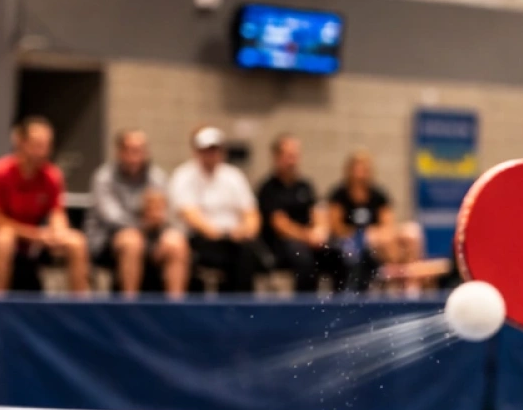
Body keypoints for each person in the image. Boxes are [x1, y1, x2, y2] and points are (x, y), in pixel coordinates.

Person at [0, 115, 90, 294]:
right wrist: (35, 235)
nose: (43, 152)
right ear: (21, 143)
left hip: (32, 240)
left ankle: (81, 307)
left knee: (76, 241)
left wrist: (58, 231)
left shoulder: (52, 176)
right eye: (37, 145)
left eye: (47, 145)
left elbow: (57, 212)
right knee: (4, 238)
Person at [86, 129, 189, 297]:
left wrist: (160, 222)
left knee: (176, 243)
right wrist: (144, 225)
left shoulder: (157, 177)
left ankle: (175, 307)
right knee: (132, 241)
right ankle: (130, 305)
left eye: (140, 150)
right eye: (130, 150)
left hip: (150, 236)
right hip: (109, 239)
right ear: (119, 152)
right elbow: (112, 217)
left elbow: (168, 213)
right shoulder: (104, 178)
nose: (135, 156)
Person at [168, 126, 260, 294]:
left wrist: (245, 230)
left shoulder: (234, 176)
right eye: (207, 150)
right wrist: (219, 233)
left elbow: (251, 213)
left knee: (248, 252)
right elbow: (189, 214)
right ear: (197, 152)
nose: (211, 154)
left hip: (234, 239)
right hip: (199, 238)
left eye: (215, 149)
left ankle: (243, 303)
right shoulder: (183, 175)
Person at [257, 134, 345, 295]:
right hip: (282, 244)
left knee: (339, 255)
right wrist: (307, 236)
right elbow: (280, 225)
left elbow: (318, 211)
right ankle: (306, 305)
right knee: (303, 258)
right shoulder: (268, 189)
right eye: (288, 156)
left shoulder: (305, 185)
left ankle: (341, 302)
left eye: (295, 156)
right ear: (276, 157)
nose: (292, 161)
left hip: (309, 239)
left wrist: (320, 231)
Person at [327, 150, 420, 293]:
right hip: (350, 240)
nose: (360, 174)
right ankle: (396, 271)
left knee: (411, 232)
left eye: (364, 170)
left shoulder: (378, 195)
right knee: (378, 240)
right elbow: (336, 226)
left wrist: (378, 234)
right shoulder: (339, 195)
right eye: (357, 169)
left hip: (379, 239)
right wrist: (360, 234)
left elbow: (388, 223)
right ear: (349, 171)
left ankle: (409, 282)